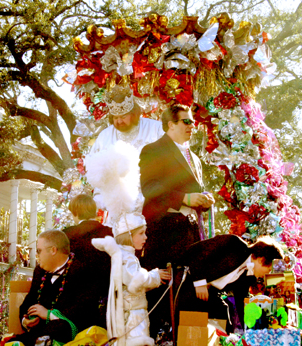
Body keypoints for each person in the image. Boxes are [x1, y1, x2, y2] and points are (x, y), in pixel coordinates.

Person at [139, 104, 214, 338]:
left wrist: (203, 198)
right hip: (164, 232)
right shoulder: (153, 150)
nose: (192, 126)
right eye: (186, 121)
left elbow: (192, 192)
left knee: (188, 294)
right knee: (162, 295)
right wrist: (184, 197)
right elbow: (149, 188)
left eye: (193, 122)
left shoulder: (194, 158)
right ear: (171, 124)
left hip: (189, 233)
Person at [5, 230, 104, 346]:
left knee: (59, 329)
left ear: (53, 250)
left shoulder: (82, 271)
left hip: (68, 334)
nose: (37, 256)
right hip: (39, 332)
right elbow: (29, 300)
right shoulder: (39, 271)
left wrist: (49, 314)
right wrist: (25, 320)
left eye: (39, 251)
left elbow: (83, 309)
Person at [87, 86, 164, 227]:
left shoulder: (156, 129)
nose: (119, 121)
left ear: (134, 114)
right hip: (118, 211)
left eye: (123, 117)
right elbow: (97, 174)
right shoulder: (104, 137)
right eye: (115, 118)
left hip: (153, 205)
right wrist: (102, 199)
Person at [175, 234, 284, 333]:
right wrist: (199, 282)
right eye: (268, 270)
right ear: (262, 260)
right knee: (188, 322)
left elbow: (241, 303)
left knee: (223, 317)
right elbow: (199, 252)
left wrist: (251, 331)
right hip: (185, 279)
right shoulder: (233, 243)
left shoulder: (250, 276)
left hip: (208, 293)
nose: (266, 275)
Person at [92, 212, 171, 346]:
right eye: (141, 233)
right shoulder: (126, 257)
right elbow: (135, 281)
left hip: (131, 313)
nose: (145, 237)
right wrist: (155, 275)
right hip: (132, 315)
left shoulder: (124, 254)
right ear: (128, 235)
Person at [63, 194, 113, 327]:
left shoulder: (67, 234)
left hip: (74, 296)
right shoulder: (109, 232)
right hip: (105, 294)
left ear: (75, 212)